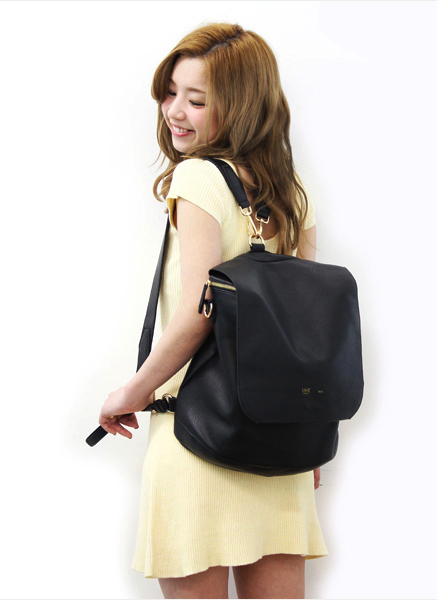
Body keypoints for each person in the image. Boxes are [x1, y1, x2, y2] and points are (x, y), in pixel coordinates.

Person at [98, 22, 328, 599]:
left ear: (242, 105)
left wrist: (132, 391)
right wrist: (309, 434)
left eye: (197, 100)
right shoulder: (292, 191)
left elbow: (198, 311)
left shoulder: (198, 177)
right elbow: (309, 332)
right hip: (281, 442)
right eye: (171, 92)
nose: (175, 111)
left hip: (196, 434)